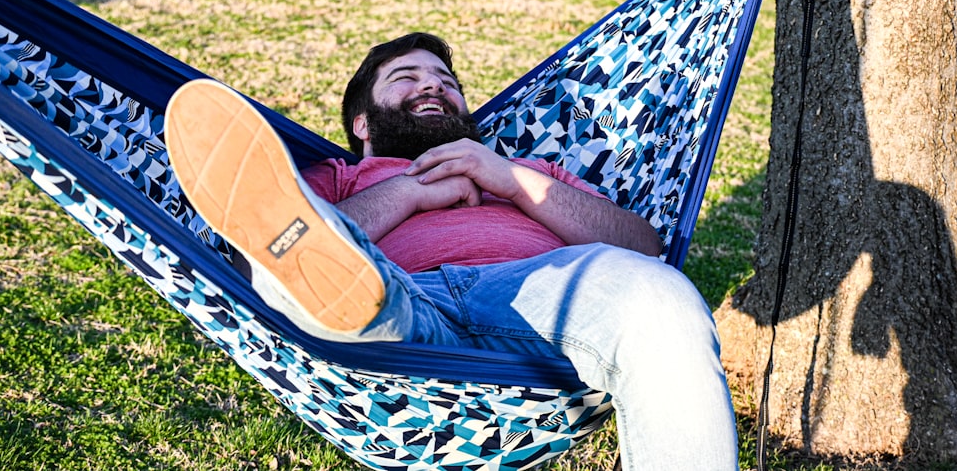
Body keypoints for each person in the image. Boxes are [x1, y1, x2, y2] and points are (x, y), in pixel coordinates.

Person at [165, 32, 738, 470]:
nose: (434, 85)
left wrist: (513, 181)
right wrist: (412, 191)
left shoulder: (531, 171)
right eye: (406, 77)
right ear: (361, 122)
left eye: (445, 79)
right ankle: (354, 297)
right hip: (405, 300)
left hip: (547, 292)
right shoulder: (335, 177)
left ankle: (356, 298)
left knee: (660, 300)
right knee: (332, 268)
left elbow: (644, 245)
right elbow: (253, 261)